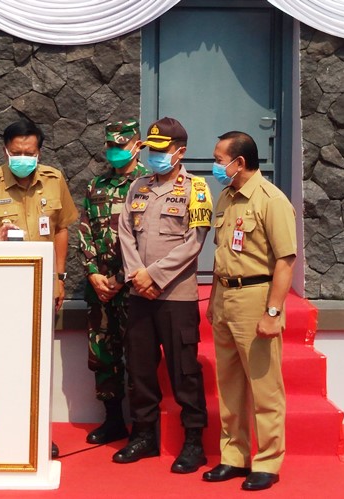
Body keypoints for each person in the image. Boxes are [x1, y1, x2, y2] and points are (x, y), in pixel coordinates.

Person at [0, 119, 79, 458]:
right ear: (5, 150)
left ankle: (39, 432)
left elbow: (61, 229)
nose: (23, 157)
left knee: (40, 362)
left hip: (43, 289)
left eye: (29, 152)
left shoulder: (54, 180)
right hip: (3, 295)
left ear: (39, 151)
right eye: (16, 152)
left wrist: (59, 279)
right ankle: (6, 431)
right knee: (5, 364)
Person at [116, 117, 211, 473]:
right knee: (139, 368)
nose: (153, 156)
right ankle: (143, 435)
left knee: (184, 370)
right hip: (139, 293)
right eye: (150, 150)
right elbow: (125, 232)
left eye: (161, 151)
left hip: (177, 296)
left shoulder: (197, 189)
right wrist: (135, 275)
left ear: (179, 152)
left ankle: (193, 441)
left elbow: (194, 241)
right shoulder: (138, 186)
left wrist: (153, 276)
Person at [202, 131, 296, 491]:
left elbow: (286, 261)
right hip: (226, 297)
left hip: (257, 296)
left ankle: (268, 461)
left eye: (218, 158)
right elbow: (223, 252)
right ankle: (234, 456)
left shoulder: (271, 200)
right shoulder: (226, 197)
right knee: (229, 386)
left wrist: (273, 313)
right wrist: (213, 300)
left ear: (238, 162)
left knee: (264, 386)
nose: (215, 165)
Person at [77, 119, 147, 445]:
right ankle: (114, 421)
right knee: (103, 355)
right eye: (111, 145)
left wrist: (119, 278)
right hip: (100, 290)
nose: (115, 151)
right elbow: (85, 232)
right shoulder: (96, 185)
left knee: (138, 357)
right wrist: (92, 272)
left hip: (134, 288)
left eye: (122, 145)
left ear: (137, 145)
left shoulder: (149, 183)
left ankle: (144, 428)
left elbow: (149, 240)